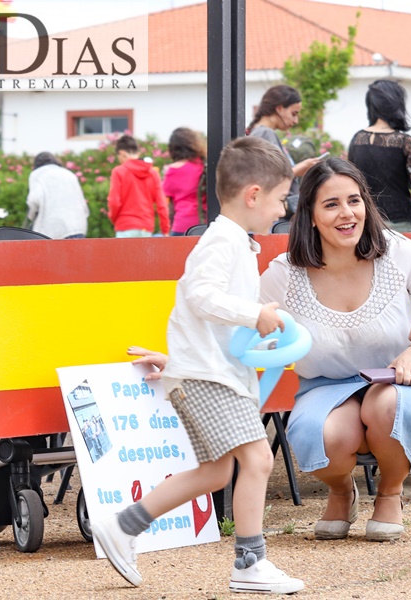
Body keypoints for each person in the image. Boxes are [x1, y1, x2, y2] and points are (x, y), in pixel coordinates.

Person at [92, 137, 305, 594]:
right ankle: (250, 562)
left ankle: (122, 525)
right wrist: (255, 314)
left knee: (215, 471)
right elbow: (200, 296)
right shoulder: (222, 241)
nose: (281, 211)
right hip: (209, 377)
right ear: (253, 195)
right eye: (279, 199)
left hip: (211, 373)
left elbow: (204, 315)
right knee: (257, 458)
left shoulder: (236, 243)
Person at [259, 157, 411, 542]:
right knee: (323, 435)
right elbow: (239, 322)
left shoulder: (396, 252)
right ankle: (342, 492)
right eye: (331, 205)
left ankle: (390, 493)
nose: (347, 214)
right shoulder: (285, 272)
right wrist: (180, 360)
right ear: (309, 215)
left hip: (400, 384)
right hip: (325, 387)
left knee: (387, 406)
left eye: (354, 200)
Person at [347, 80, 411, 232]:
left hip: (368, 222)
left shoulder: (357, 139)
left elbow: (352, 181)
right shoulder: (404, 142)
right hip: (400, 222)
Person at [248, 85, 323, 218]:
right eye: (293, 114)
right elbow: (267, 178)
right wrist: (298, 170)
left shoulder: (262, 133)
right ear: (280, 109)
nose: (295, 121)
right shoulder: (264, 134)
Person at [107, 135, 170, 238]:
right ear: (138, 153)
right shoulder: (153, 173)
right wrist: (165, 230)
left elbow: (114, 201)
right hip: (146, 227)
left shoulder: (119, 172)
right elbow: (161, 204)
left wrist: (114, 219)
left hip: (125, 226)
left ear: (122, 154)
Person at [25, 151, 89, 239]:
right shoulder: (69, 174)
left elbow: (33, 200)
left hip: (53, 230)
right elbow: (83, 206)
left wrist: (31, 217)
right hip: (78, 227)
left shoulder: (37, 175)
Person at [161, 128, 206, 236]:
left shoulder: (172, 171)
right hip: (204, 224)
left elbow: (167, 198)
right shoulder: (203, 167)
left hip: (181, 224)